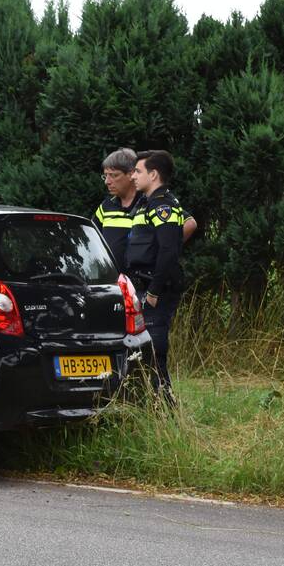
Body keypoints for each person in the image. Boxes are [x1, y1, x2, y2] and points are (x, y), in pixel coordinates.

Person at [127, 149, 186, 399]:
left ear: (153, 175)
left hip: (155, 288)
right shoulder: (146, 203)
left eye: (138, 171)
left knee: (154, 348)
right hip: (141, 285)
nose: (132, 176)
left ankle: (164, 404)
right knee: (143, 349)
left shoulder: (163, 205)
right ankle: (149, 402)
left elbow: (168, 250)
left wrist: (153, 291)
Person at [91, 148, 196, 273]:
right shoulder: (106, 206)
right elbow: (91, 237)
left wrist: (161, 252)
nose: (107, 181)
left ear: (131, 174)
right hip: (113, 280)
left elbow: (189, 223)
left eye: (114, 175)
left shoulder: (151, 201)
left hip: (144, 279)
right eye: (105, 175)